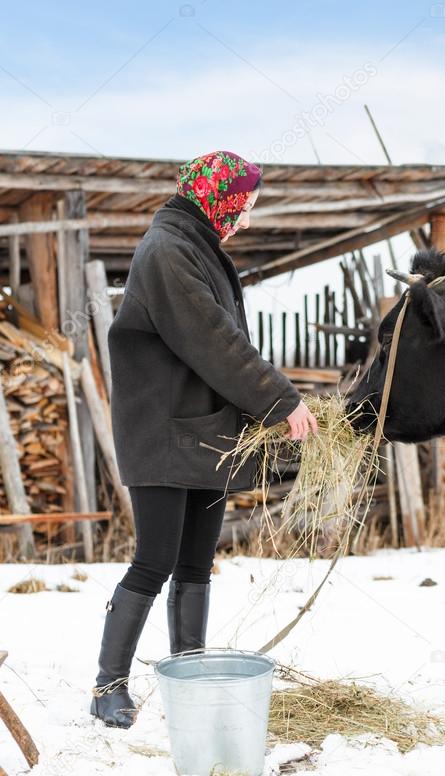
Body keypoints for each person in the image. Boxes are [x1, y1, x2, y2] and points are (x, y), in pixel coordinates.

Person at [91, 150, 319, 728]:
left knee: (195, 564)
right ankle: (107, 687)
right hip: (164, 437)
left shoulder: (196, 247)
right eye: (245, 205)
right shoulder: (168, 250)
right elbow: (215, 340)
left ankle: (186, 674)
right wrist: (279, 399)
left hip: (204, 435)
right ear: (220, 198)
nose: (247, 217)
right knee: (154, 561)